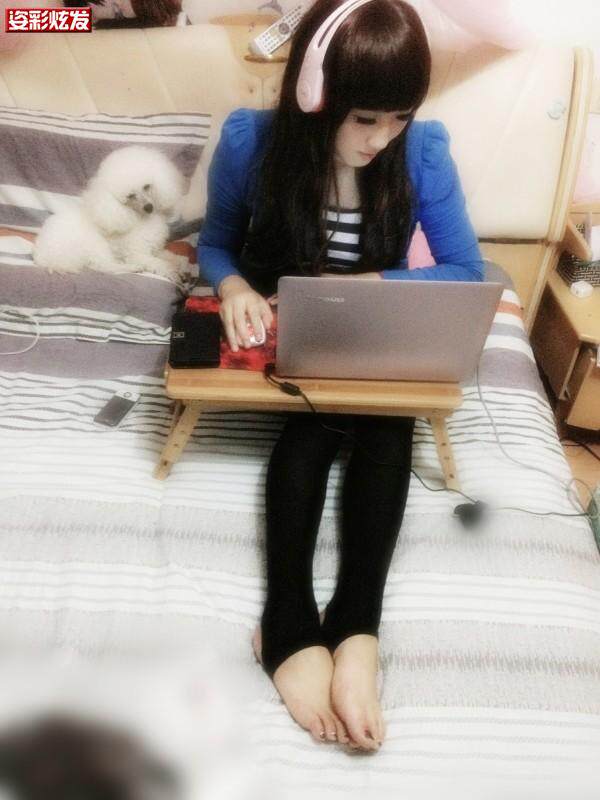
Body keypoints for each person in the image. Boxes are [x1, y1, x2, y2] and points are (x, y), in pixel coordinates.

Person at [197, 0, 484, 753]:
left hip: (377, 325)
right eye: (364, 119)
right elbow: (216, 245)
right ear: (314, 95)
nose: (381, 138)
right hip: (289, 332)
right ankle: (288, 618)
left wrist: (368, 290)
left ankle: (358, 625)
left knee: (388, 424)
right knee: (312, 429)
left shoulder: (422, 153)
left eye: (398, 118)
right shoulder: (251, 143)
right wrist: (233, 287)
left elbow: (465, 269)